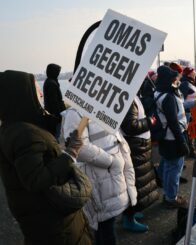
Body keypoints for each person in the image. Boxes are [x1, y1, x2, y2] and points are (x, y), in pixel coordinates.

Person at [0, 70, 92, 245]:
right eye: (36, 89)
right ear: (21, 95)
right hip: (55, 225)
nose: (41, 93)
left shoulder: (14, 128)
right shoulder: (24, 133)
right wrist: (70, 154)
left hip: (42, 221)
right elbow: (36, 179)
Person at [62, 107, 137, 244]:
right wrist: (112, 162)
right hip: (99, 179)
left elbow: (114, 136)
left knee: (106, 226)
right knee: (104, 228)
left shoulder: (102, 106)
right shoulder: (75, 113)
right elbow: (81, 148)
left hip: (111, 177)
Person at [120, 95, 159, 232]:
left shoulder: (131, 95)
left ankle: (133, 211)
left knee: (137, 182)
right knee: (133, 182)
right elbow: (130, 126)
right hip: (135, 147)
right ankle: (128, 218)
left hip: (139, 147)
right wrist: (149, 121)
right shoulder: (127, 97)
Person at [155, 66, 190, 208]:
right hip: (174, 137)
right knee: (174, 169)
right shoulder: (168, 96)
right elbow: (173, 122)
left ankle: (168, 192)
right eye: (172, 77)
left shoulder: (158, 92)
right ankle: (171, 198)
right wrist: (182, 141)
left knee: (168, 165)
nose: (175, 79)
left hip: (166, 137)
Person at [179, 66, 196, 149]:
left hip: (190, 111)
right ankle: (189, 150)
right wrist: (194, 102)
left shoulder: (189, 82)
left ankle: (190, 149)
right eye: (193, 72)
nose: (195, 73)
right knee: (187, 132)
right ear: (189, 74)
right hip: (186, 112)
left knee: (189, 132)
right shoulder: (185, 84)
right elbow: (181, 102)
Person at [43, 63, 66, 139]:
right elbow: (54, 102)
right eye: (57, 72)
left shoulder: (50, 81)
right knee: (56, 136)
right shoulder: (51, 84)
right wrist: (59, 116)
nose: (58, 74)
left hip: (53, 116)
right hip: (55, 117)